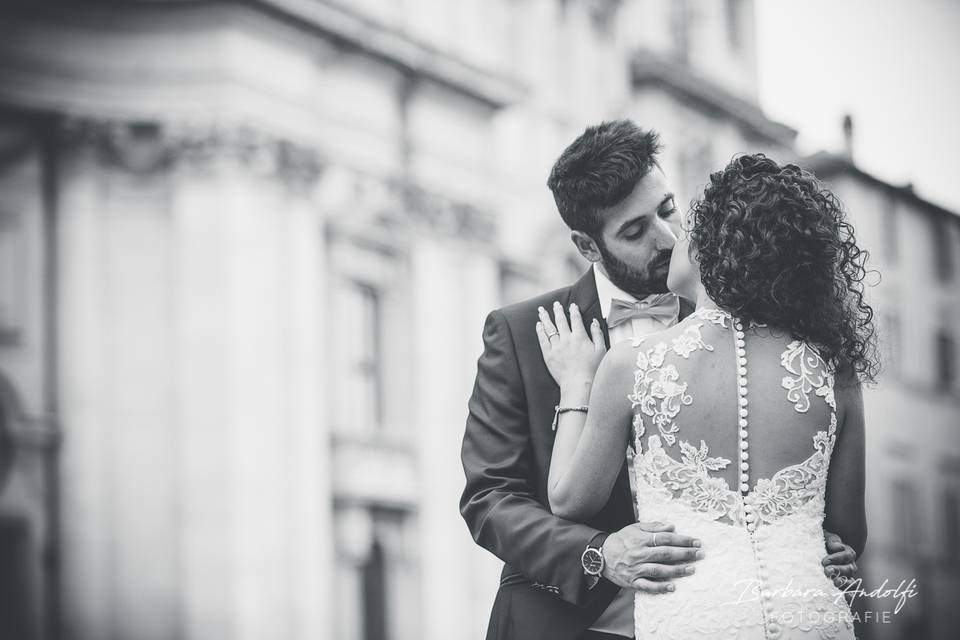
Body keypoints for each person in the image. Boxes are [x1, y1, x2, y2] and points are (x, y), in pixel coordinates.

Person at [460, 120, 859, 640]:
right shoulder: (520, 332)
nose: (667, 238)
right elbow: (489, 499)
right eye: (634, 230)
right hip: (565, 623)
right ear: (588, 245)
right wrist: (598, 554)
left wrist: (822, 542)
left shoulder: (747, 325)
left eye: (668, 210)